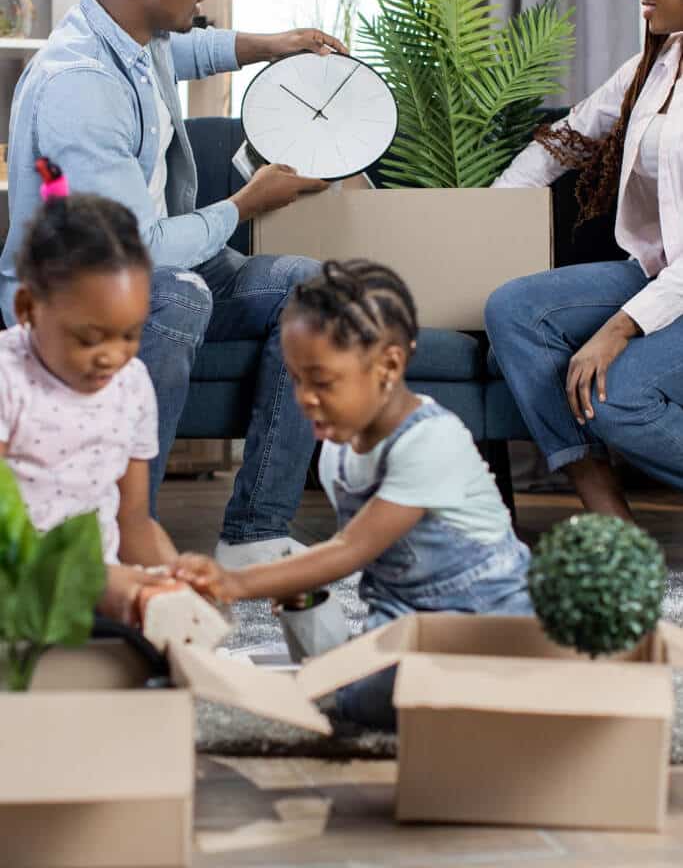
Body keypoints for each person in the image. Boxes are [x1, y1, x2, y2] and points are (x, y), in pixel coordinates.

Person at [2, 0, 348, 568]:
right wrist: (249, 202)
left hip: (166, 262)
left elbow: (188, 50)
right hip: (86, 289)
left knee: (319, 291)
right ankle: (126, 546)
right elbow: (142, 252)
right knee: (178, 296)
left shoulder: (135, 31)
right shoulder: (80, 84)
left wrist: (273, 44)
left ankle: (255, 534)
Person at [173, 260, 532, 729]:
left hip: (488, 612)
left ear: (389, 364)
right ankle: (342, 678)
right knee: (361, 691)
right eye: (297, 379)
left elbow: (352, 549)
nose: (303, 398)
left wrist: (238, 582)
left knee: (386, 697)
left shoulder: (431, 440)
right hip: (400, 611)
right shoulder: (338, 452)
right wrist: (290, 583)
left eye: (322, 382)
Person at [484, 0, 683, 521]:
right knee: (514, 308)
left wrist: (618, 328)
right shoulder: (658, 62)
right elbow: (565, 140)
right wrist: (484, 217)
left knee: (618, 396)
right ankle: (603, 506)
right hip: (655, 273)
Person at [0, 180, 181, 625]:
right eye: (89, 338)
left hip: (95, 586)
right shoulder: (8, 377)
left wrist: (172, 576)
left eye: (130, 335)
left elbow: (134, 519)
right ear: (28, 308)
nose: (112, 356)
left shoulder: (132, 383)